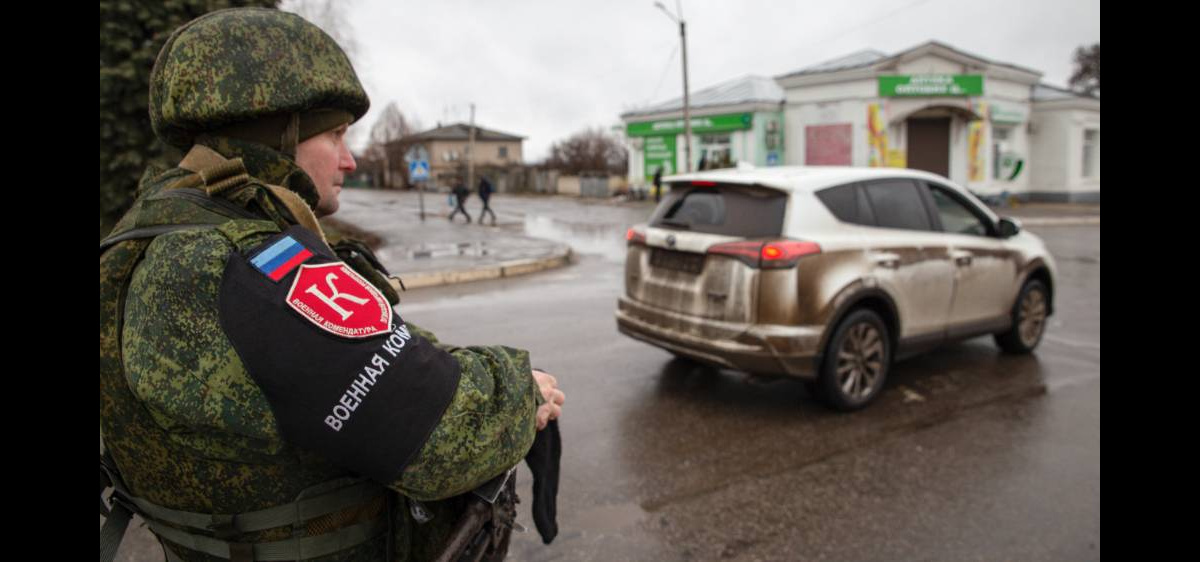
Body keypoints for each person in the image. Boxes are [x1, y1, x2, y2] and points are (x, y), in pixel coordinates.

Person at [99, 8, 564, 562]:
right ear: (277, 136)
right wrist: (521, 388)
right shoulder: (244, 267)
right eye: (336, 135)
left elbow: (349, 363)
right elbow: (438, 435)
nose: (350, 159)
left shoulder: (151, 232)